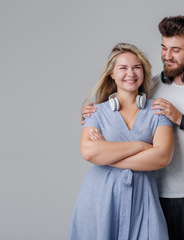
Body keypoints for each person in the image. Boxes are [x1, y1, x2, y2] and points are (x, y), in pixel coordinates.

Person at [82, 15, 184, 240]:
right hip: (152, 194)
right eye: (164, 48)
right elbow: (125, 104)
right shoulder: (153, 85)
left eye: (175, 50)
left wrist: (180, 118)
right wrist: (93, 114)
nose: (167, 55)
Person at [70, 43, 174, 240]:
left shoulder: (158, 111)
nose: (131, 73)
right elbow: (89, 151)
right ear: (111, 73)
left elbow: (161, 157)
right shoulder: (96, 112)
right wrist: (140, 146)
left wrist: (108, 157)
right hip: (100, 199)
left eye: (136, 67)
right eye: (123, 68)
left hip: (143, 199)